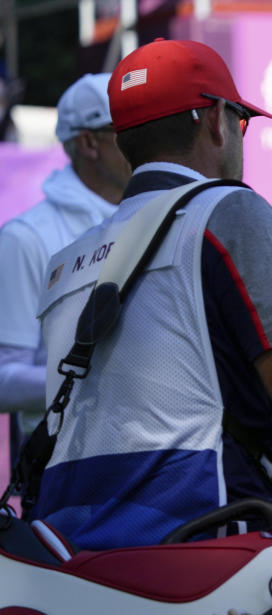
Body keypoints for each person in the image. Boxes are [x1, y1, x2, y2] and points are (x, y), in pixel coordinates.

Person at [29, 39, 272, 553]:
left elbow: (200, 379)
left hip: (78, 569)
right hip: (204, 561)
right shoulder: (223, 210)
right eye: (241, 123)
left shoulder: (69, 262)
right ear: (215, 119)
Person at [0, 73, 130, 456]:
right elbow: (3, 378)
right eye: (128, 128)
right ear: (89, 142)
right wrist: (109, 379)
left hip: (158, 466)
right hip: (65, 471)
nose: (147, 140)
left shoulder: (167, 217)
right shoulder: (25, 238)